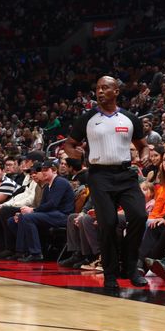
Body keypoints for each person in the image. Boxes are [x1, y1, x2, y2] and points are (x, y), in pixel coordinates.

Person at [63, 76, 149, 289]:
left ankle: (131, 267)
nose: (100, 91)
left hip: (126, 174)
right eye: (98, 88)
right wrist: (77, 154)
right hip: (99, 176)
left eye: (105, 88)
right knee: (108, 223)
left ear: (116, 91)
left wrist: (144, 155)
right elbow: (69, 145)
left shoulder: (129, 118)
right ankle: (110, 274)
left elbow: (143, 145)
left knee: (140, 215)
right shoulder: (87, 118)